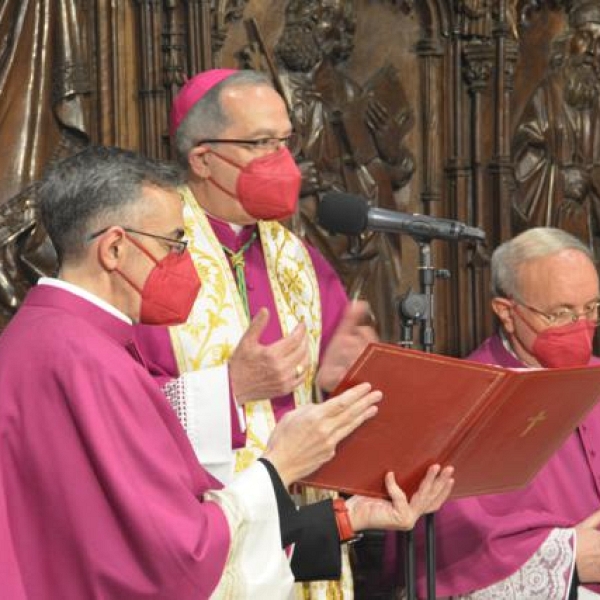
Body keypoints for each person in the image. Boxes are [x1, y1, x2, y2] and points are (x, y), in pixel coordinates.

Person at [0, 145, 454, 599]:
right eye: (175, 244)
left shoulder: (51, 338)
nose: (186, 263)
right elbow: (180, 560)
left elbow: (136, 537)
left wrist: (349, 517)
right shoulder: (86, 361)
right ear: (115, 247)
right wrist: (281, 463)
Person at [134, 68, 381, 597]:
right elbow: (114, 415)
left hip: (307, 528)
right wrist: (228, 390)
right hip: (205, 529)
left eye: (285, 141)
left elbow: (343, 373)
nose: (282, 161)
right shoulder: (148, 255)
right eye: (260, 143)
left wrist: (345, 377)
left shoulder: (299, 258)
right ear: (202, 159)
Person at [384, 226, 600, 599]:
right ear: (507, 313)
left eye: (592, 310)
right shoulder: (462, 402)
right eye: (561, 313)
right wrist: (567, 559)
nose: (580, 328)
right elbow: (451, 556)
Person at [512, 1, 600, 255]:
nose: (593, 51)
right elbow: (522, 160)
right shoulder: (547, 95)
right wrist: (561, 179)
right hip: (558, 232)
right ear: (568, 41)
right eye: (585, 38)